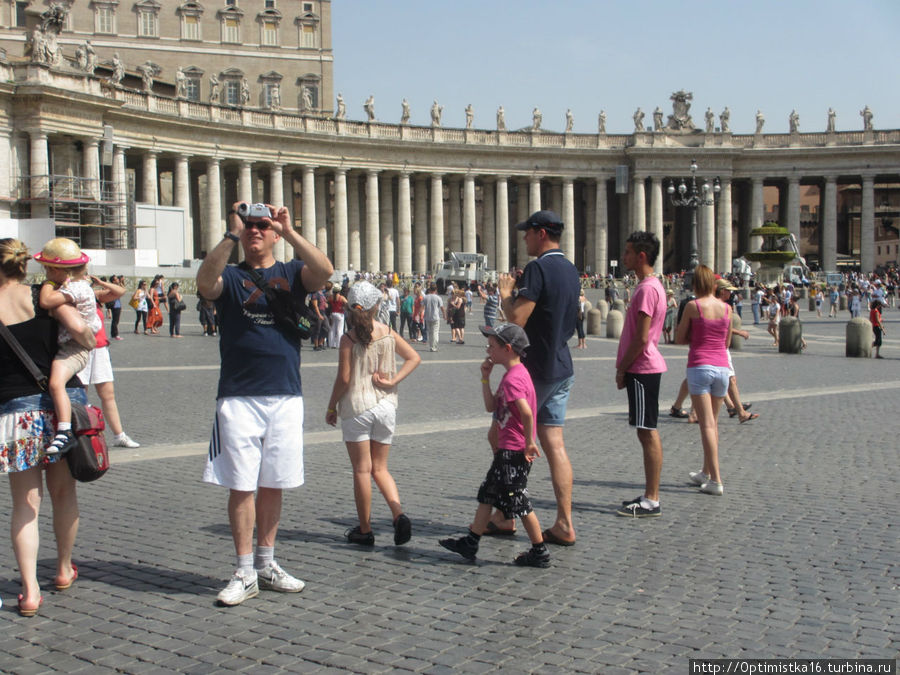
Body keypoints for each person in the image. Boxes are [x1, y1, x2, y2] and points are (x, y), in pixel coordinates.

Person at [196, 199, 333, 606]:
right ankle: (243, 570)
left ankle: (267, 563)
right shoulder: (232, 276)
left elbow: (324, 271)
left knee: (274, 482)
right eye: (249, 224)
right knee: (241, 485)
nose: (255, 230)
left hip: (286, 393)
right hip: (238, 395)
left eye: (262, 225)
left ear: (273, 233)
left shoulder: (292, 272)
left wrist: (289, 230)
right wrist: (230, 234)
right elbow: (205, 284)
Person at [0, 238, 92, 617]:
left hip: (14, 413)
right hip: (61, 407)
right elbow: (84, 334)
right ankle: (62, 568)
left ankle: (31, 591)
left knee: (25, 506)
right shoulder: (44, 295)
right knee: (63, 494)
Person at [493, 210, 579, 545]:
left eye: (527, 232)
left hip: (534, 370)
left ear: (541, 233)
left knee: (502, 437)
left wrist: (505, 294)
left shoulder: (538, 268)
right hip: (562, 364)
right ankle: (564, 523)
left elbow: (517, 319)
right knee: (554, 444)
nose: (524, 238)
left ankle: (505, 515)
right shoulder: (570, 269)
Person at [439, 323, 549, 567]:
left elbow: (527, 413)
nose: (488, 349)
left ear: (507, 348)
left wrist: (530, 442)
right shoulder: (514, 375)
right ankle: (471, 542)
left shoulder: (513, 380)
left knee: (519, 500)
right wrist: (485, 378)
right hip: (508, 450)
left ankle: (539, 551)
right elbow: (491, 407)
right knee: (487, 494)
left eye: (492, 346)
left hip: (513, 450)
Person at [325, 281, 421, 546]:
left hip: (357, 407)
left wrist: (332, 406)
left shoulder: (349, 338)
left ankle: (365, 529)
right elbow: (414, 357)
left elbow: (344, 379)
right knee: (381, 468)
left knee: (361, 470)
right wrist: (393, 381)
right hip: (386, 407)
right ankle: (398, 513)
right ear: (376, 306)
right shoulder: (389, 332)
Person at [614, 232, 667, 518]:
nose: (624, 257)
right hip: (644, 367)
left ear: (641, 256)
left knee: (647, 432)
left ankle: (652, 499)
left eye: (628, 252)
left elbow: (641, 337)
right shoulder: (652, 286)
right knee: (645, 431)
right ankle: (650, 495)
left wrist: (623, 366)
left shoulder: (647, 289)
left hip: (643, 367)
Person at [34, 238, 100, 454]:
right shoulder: (78, 285)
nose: (44, 273)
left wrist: (48, 284)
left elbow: (45, 301)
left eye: (46, 269)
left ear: (56, 269)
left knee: (56, 383)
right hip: (74, 346)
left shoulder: (77, 288)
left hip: (74, 348)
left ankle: (64, 430)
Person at [675, 265, 732, 496]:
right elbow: (726, 343)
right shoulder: (727, 308)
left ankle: (716, 480)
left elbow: (679, 338)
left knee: (706, 425)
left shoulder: (693, 306)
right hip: (722, 369)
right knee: (714, 424)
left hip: (700, 367)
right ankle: (706, 473)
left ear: (696, 284)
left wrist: (695, 337)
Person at [78, 282, 141, 448]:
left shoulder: (95, 295)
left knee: (108, 394)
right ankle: (81, 435)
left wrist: (98, 282)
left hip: (99, 349)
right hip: (80, 348)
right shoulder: (70, 295)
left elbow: (120, 291)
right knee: (79, 395)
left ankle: (119, 435)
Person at [422, 283, 444, 352]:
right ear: (436, 289)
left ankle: (431, 345)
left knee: (430, 332)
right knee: (435, 332)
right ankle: (434, 346)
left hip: (427, 317)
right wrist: (444, 314)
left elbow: (422, 307)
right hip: (435, 317)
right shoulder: (438, 298)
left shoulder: (425, 297)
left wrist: (419, 314)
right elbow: (442, 307)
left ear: (430, 289)